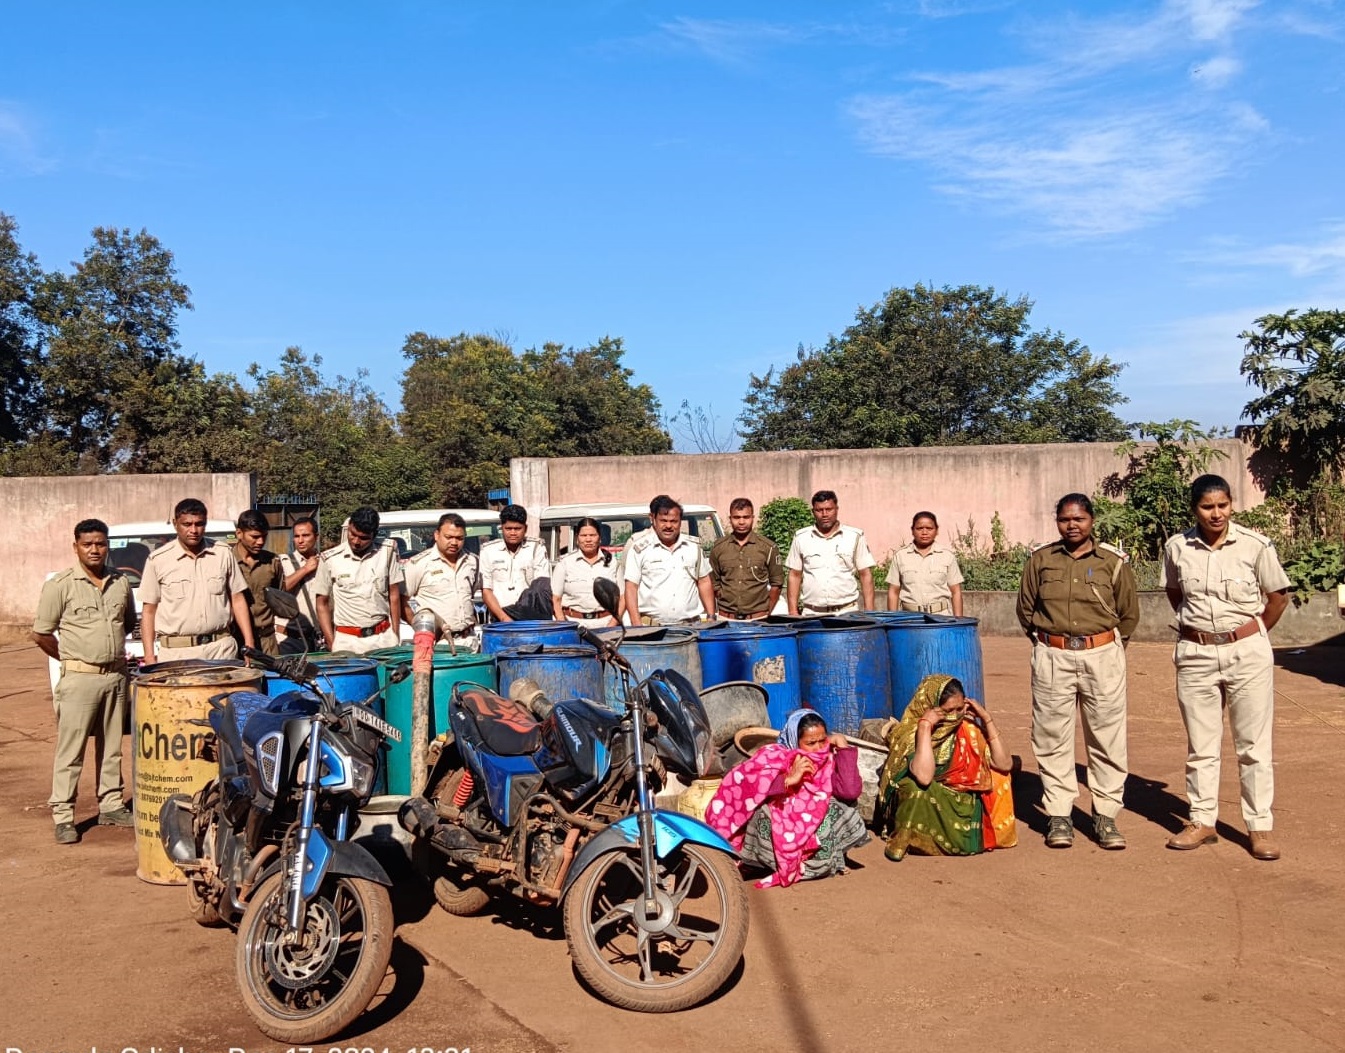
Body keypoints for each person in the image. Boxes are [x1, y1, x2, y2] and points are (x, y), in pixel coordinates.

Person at [1161, 474, 1291, 861]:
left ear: (1232, 504)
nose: (1216, 514)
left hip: (1247, 653)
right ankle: (1202, 820)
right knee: (1201, 745)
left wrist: (1249, 636)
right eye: (1207, 507)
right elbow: (1174, 592)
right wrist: (1204, 634)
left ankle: (1259, 826)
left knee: (1253, 745)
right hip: (1196, 653)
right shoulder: (1176, 547)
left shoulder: (1255, 545)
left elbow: (1278, 597)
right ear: (1194, 509)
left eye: (1223, 505)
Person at [1017, 493, 1139, 850]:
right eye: (1065, 519)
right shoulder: (1041, 560)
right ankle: (1058, 814)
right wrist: (1047, 645)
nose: (1072, 525)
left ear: (1092, 521)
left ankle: (1105, 815)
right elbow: (1026, 610)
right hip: (1052, 655)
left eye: (1079, 519)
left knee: (1106, 737)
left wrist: (1104, 647)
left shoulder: (1113, 563)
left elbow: (1129, 615)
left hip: (1102, 655)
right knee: (1052, 735)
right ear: (1057, 522)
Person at [31, 518, 138, 844]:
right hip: (79, 678)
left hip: (116, 677)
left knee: (112, 748)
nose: (95, 549)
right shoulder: (61, 585)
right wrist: (68, 659)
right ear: (75, 546)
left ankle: (111, 804)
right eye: (87, 544)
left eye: (100, 543)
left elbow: (128, 622)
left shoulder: (120, 583)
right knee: (71, 750)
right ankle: (63, 815)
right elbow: (41, 633)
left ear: (107, 546)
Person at [706, 710, 869, 887]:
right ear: (795, 741)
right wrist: (788, 779)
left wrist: (843, 746)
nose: (818, 748)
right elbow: (747, 786)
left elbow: (850, 791)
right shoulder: (773, 755)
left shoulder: (829, 759)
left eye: (823, 740)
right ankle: (764, 863)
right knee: (762, 812)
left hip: (810, 820)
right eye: (811, 743)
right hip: (780, 824)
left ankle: (822, 861)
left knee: (845, 806)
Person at [874, 675, 1017, 860]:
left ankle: (969, 838)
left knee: (999, 777)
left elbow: (1004, 764)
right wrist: (925, 727)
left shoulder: (968, 730)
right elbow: (924, 777)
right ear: (930, 707)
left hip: (963, 805)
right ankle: (914, 839)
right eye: (948, 710)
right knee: (915, 788)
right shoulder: (912, 733)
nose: (955, 716)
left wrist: (986, 719)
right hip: (929, 803)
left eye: (960, 709)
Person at [140, 498, 253, 663]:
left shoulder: (222, 554)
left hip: (220, 650)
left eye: (199, 524)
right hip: (177, 654)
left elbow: (237, 599)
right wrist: (149, 656)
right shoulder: (158, 560)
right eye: (187, 524)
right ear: (175, 524)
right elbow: (149, 610)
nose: (194, 530)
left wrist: (249, 644)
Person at [314, 506, 403, 655]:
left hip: (382, 638)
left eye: (363, 538)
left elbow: (394, 595)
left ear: (374, 535)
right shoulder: (330, 559)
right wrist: (331, 642)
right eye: (352, 534)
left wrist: (395, 633)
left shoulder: (387, 553)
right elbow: (321, 603)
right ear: (349, 527)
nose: (356, 541)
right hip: (347, 641)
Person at [623, 495, 715, 625]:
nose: (668, 526)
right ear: (653, 519)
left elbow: (704, 581)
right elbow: (631, 588)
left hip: (690, 627)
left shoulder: (693, 548)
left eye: (674, 521)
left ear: (680, 521)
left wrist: (711, 617)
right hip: (652, 628)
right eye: (663, 520)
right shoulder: (639, 549)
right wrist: (637, 625)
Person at [785, 490, 876, 616]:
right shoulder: (801, 537)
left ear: (837, 509)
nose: (824, 514)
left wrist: (870, 612)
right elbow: (794, 575)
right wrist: (793, 612)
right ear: (813, 512)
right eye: (819, 510)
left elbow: (865, 575)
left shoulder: (854, 536)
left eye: (829, 509)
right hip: (812, 614)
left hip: (847, 612)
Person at [403, 512, 482, 650]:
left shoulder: (472, 561)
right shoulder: (419, 564)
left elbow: (471, 594)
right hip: (438, 644)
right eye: (448, 537)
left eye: (459, 538)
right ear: (436, 535)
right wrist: (421, 629)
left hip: (469, 641)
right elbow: (401, 600)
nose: (454, 542)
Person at [709, 497, 783, 620]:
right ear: (730, 519)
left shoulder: (768, 547)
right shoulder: (719, 548)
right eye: (736, 517)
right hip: (727, 619)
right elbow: (713, 582)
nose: (741, 522)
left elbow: (777, 583)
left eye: (746, 517)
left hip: (759, 619)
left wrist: (767, 612)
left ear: (753, 518)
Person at [479, 504, 552, 622]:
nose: (513, 533)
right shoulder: (488, 551)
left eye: (518, 529)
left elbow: (541, 587)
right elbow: (486, 590)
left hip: (530, 620)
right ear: (501, 528)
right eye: (508, 528)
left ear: (525, 528)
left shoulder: (536, 548)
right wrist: (504, 618)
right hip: (500, 619)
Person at [886, 511, 964, 615]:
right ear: (912, 530)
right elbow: (893, 592)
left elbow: (956, 592)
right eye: (919, 528)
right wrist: (892, 620)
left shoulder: (947, 556)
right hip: (909, 619)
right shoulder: (900, 556)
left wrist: (959, 621)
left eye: (929, 528)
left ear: (936, 531)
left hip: (941, 619)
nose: (924, 532)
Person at [230, 509, 284, 656]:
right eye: (254, 537)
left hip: (267, 640)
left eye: (264, 536)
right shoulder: (227, 561)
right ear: (239, 533)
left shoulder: (273, 562)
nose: (260, 542)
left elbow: (278, 596)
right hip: (234, 640)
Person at [551, 517, 622, 627]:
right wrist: (563, 624)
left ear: (599, 538)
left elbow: (623, 597)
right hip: (573, 624)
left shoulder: (613, 563)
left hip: (606, 623)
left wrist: (612, 624)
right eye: (583, 535)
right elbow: (556, 599)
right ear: (577, 538)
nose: (588, 540)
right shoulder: (565, 564)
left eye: (593, 535)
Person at [278, 516, 322, 654]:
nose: (300, 540)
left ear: (316, 537)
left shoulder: (326, 561)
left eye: (306, 535)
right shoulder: (284, 562)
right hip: (291, 639)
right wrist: (305, 570)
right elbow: (280, 588)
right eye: (297, 536)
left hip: (319, 638)